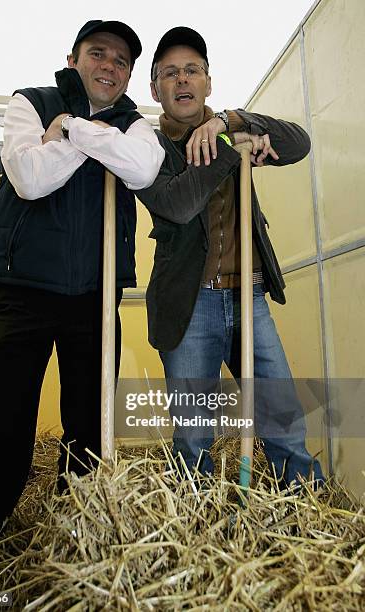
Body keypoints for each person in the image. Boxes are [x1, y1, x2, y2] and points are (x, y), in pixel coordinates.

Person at [0, 19, 164, 572]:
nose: (109, 67)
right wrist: (98, 142)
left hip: (94, 302)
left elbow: (141, 167)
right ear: (73, 59)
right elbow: (30, 178)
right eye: (98, 54)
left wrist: (70, 131)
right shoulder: (31, 102)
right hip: (22, 294)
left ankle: (76, 547)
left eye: (121, 62)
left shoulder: (137, 126)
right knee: (7, 434)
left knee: (88, 435)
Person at [135, 27, 324, 487]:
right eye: (170, 73)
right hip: (189, 303)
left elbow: (299, 143)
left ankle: (304, 507)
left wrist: (233, 122)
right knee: (194, 434)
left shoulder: (231, 127)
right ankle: (192, 526)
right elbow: (177, 206)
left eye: (193, 70)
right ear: (155, 88)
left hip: (249, 297)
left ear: (208, 82)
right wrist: (230, 151)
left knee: (281, 414)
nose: (183, 80)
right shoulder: (143, 146)